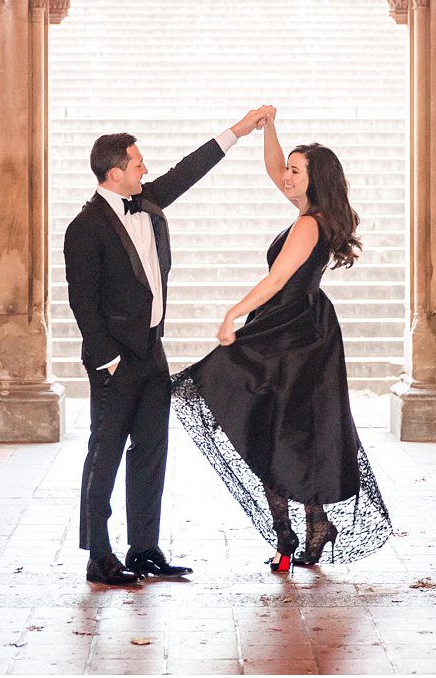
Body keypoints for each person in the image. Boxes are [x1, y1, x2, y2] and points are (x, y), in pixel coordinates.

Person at [171, 112, 391, 571]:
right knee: (282, 429)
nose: (284, 177)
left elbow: (276, 280)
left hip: (293, 333)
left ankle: (296, 532)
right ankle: (302, 529)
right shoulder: (316, 212)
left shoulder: (309, 224)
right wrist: (265, 127)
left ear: (314, 180)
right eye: (288, 169)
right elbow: (274, 169)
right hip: (294, 326)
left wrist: (233, 312)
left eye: (295, 171)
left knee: (273, 427)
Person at [64, 107, 274, 586]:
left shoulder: (148, 200)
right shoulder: (85, 227)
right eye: (137, 164)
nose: (145, 170)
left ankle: (144, 549)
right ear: (114, 173)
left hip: (153, 352)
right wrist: (109, 360)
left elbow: (188, 170)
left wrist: (239, 131)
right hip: (115, 362)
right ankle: (99, 553)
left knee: (151, 451)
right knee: (106, 453)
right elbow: (84, 304)